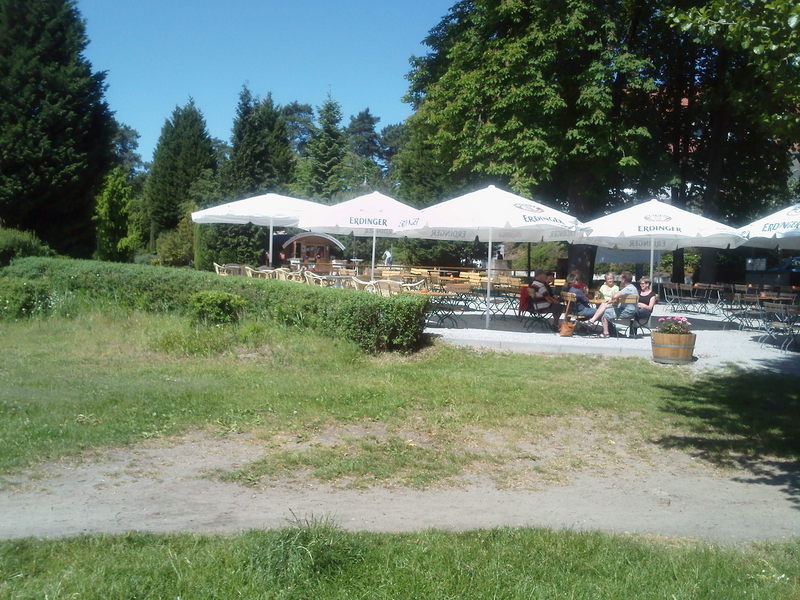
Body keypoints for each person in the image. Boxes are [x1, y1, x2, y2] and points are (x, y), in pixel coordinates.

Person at [599, 271, 638, 337]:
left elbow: (615, 296)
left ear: (624, 280)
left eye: (621, 279)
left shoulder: (627, 289)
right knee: (606, 308)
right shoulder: (633, 288)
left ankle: (606, 333)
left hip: (626, 312)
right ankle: (609, 330)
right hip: (632, 311)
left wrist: (614, 295)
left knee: (605, 312)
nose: (620, 280)